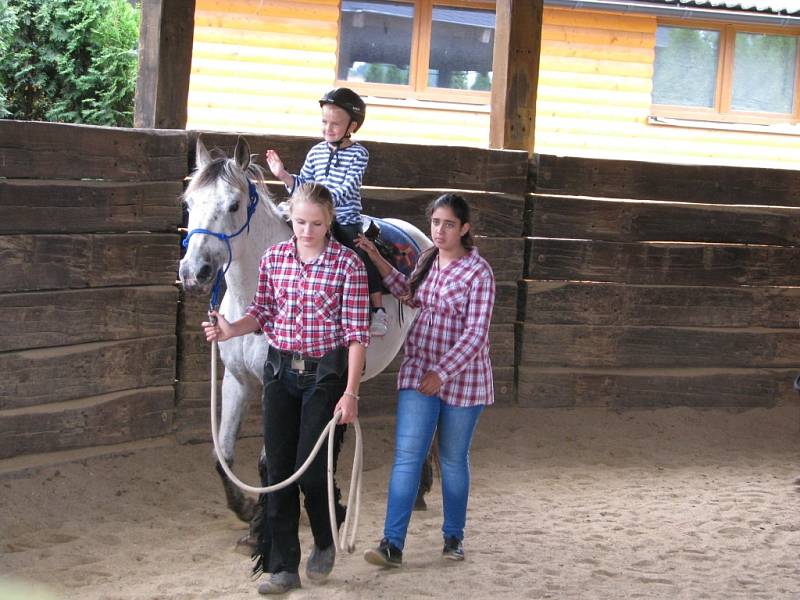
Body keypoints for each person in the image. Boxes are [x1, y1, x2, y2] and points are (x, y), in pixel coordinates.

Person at [202, 182, 370, 594]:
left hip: (324, 378)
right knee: (277, 471)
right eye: (299, 222)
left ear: (329, 221)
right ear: (290, 218)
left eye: (315, 223)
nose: (307, 230)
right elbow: (262, 311)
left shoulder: (348, 265)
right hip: (280, 374)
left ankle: (326, 539)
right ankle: (283, 567)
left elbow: (356, 336)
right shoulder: (275, 257)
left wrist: (350, 393)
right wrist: (231, 329)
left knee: (312, 472)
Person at [355, 193, 495, 567]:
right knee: (407, 456)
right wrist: (377, 259)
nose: (440, 230)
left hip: (464, 379)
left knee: (451, 458)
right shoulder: (428, 260)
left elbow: (476, 334)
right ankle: (391, 543)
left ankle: (453, 536)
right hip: (420, 370)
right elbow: (408, 293)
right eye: (436, 222)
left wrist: (442, 372)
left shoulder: (479, 273)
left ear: (464, 228)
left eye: (449, 224)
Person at [265, 87, 388, 336]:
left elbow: (348, 187)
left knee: (360, 252)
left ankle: (377, 310)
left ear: (352, 126)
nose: (328, 128)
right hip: (314, 218)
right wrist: (285, 176)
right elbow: (305, 186)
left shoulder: (359, 154)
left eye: (335, 124)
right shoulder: (316, 152)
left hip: (344, 218)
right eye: (324, 122)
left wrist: (321, 205)